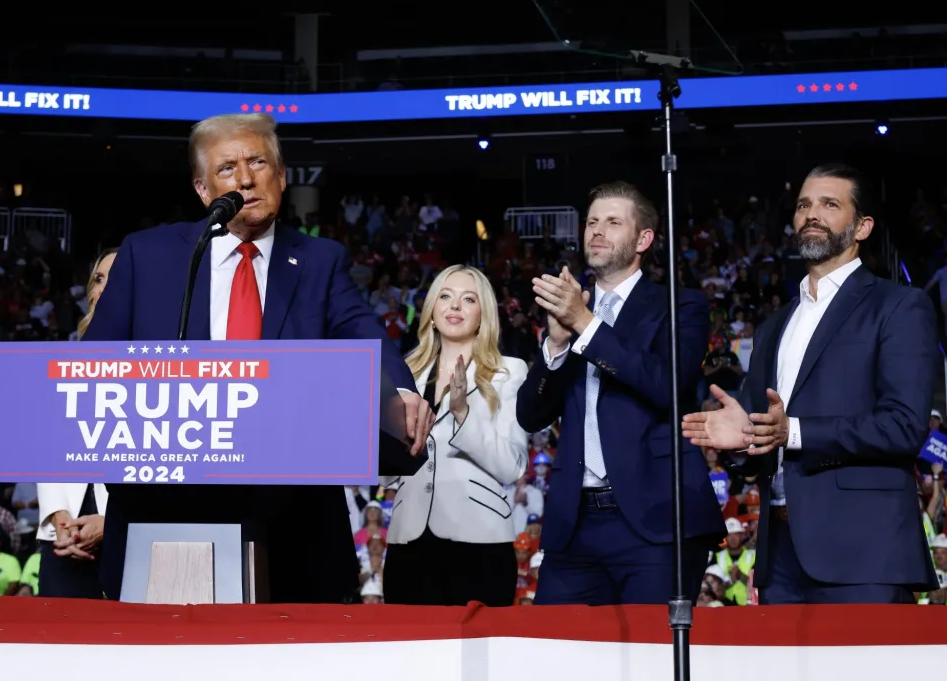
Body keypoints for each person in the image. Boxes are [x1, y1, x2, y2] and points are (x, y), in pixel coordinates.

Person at [84, 112, 435, 603]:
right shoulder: (149, 255)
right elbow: (95, 364)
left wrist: (398, 391)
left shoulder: (320, 260)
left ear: (283, 176)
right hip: (165, 510)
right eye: (227, 169)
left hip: (292, 515)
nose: (246, 179)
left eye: (258, 162)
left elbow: (363, 334)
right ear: (204, 190)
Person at [682, 164, 940, 604]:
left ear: (863, 227)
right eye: (803, 205)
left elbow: (904, 426)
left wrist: (794, 432)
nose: (811, 214)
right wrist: (742, 440)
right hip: (779, 554)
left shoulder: (899, 306)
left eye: (829, 204)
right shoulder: (774, 325)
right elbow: (763, 433)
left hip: (865, 552)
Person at [516, 181, 725, 605]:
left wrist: (585, 324)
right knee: (554, 657)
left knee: (650, 663)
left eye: (613, 222)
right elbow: (531, 415)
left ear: (643, 239)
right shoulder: (569, 314)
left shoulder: (679, 305)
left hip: (657, 522)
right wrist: (556, 345)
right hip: (574, 525)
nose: (597, 231)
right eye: (592, 222)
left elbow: (664, 385)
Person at [384, 265, 528, 606]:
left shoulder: (508, 372)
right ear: (432, 310)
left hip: (481, 542)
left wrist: (464, 413)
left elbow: (512, 466)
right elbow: (385, 474)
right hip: (409, 541)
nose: (455, 306)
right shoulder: (404, 373)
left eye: (468, 299)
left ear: (484, 315)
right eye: (446, 297)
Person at [36, 248, 116, 598]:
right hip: (65, 538)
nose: (104, 287)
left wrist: (114, 524)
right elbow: (47, 450)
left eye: (117, 278)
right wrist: (59, 519)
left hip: (129, 532)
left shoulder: (168, 361)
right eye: (99, 279)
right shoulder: (64, 363)